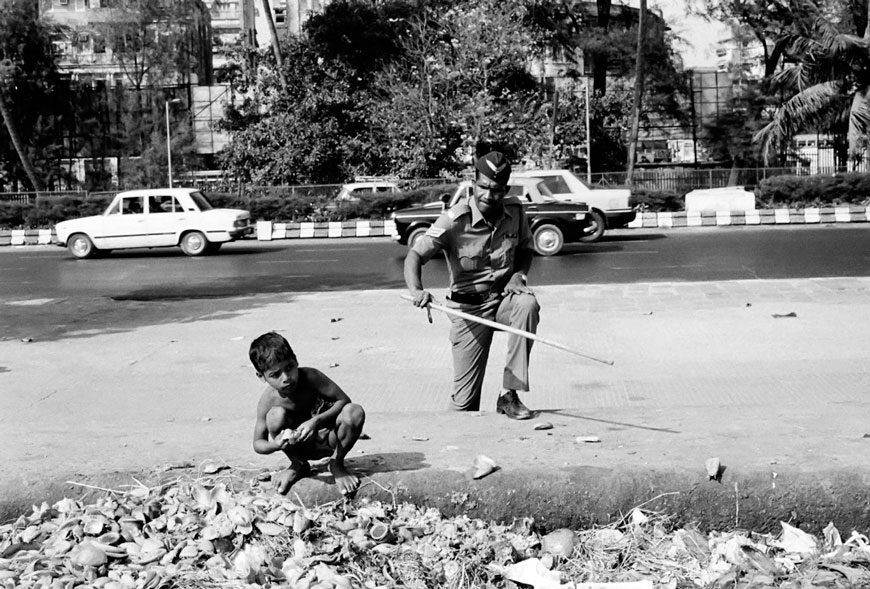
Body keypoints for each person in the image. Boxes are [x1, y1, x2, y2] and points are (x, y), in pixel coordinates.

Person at [404, 150, 540, 419]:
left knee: (527, 303)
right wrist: (416, 290)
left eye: (497, 190)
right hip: (467, 312)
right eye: (484, 188)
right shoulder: (455, 219)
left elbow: (525, 249)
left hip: (502, 300)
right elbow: (415, 255)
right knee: (464, 406)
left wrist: (518, 276)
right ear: (474, 183)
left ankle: (509, 395)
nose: (490, 196)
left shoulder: (515, 212)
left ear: (506, 188)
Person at [248, 331, 366, 496]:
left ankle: (337, 463)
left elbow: (344, 401)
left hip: (330, 439)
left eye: (289, 368)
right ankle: (298, 465)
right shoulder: (267, 401)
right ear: (261, 376)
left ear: (296, 360)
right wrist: (275, 445)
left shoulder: (311, 377)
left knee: (354, 412)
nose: (286, 378)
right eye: (275, 375)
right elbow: (258, 443)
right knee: (275, 416)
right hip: (300, 447)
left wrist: (316, 421)